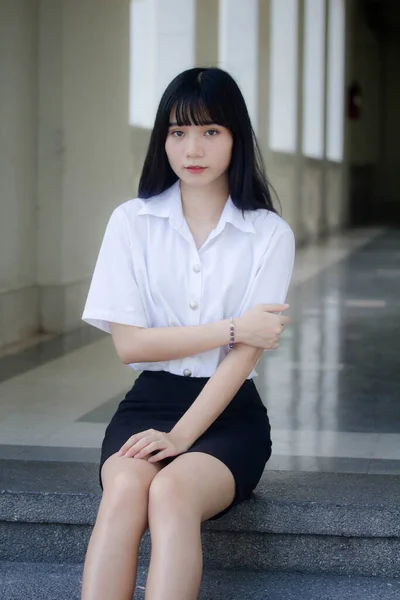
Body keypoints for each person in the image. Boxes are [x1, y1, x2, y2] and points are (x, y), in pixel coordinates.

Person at [80, 67, 295, 600]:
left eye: (210, 132)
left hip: (229, 414)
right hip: (148, 402)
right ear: (163, 140)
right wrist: (231, 327)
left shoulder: (269, 233)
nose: (191, 148)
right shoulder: (132, 222)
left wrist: (180, 438)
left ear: (235, 138)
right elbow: (130, 345)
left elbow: (242, 358)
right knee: (126, 489)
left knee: (173, 491)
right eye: (178, 132)